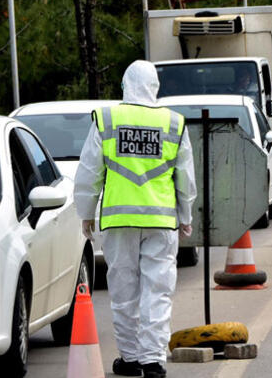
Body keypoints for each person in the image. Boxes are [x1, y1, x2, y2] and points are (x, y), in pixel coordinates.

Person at [74, 60, 197, 378]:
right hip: (160, 221)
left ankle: (130, 359)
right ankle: (153, 360)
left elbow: (89, 171)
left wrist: (86, 213)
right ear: (155, 87)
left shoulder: (108, 119)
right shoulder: (173, 123)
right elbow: (185, 176)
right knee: (158, 290)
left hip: (119, 221)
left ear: (125, 86)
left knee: (124, 290)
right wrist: (185, 214)